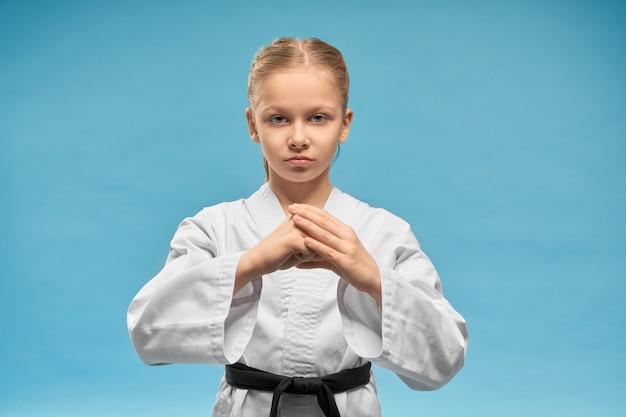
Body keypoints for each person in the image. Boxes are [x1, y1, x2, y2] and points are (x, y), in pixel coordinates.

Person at [127, 37, 468, 417]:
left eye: (318, 117)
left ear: (345, 124)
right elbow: (147, 334)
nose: (299, 138)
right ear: (252, 125)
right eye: (278, 118)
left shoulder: (384, 232)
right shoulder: (213, 228)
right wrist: (250, 263)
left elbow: (446, 359)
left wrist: (372, 277)